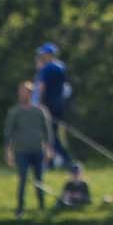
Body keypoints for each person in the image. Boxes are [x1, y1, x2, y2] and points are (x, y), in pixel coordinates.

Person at [4, 80, 56, 216]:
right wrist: (8, 152)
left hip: (38, 151)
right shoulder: (14, 112)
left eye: (26, 92)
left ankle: (42, 208)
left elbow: (48, 132)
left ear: (31, 94)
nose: (23, 94)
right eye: (21, 92)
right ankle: (20, 209)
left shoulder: (40, 111)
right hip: (21, 151)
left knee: (39, 180)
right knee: (23, 180)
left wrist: (49, 149)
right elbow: (8, 133)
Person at [33, 44, 76, 173]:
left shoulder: (47, 68)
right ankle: (51, 162)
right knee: (52, 134)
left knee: (49, 135)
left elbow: (41, 87)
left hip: (48, 106)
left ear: (49, 55)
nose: (41, 56)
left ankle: (66, 160)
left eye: (43, 54)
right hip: (59, 105)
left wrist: (38, 104)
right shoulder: (60, 66)